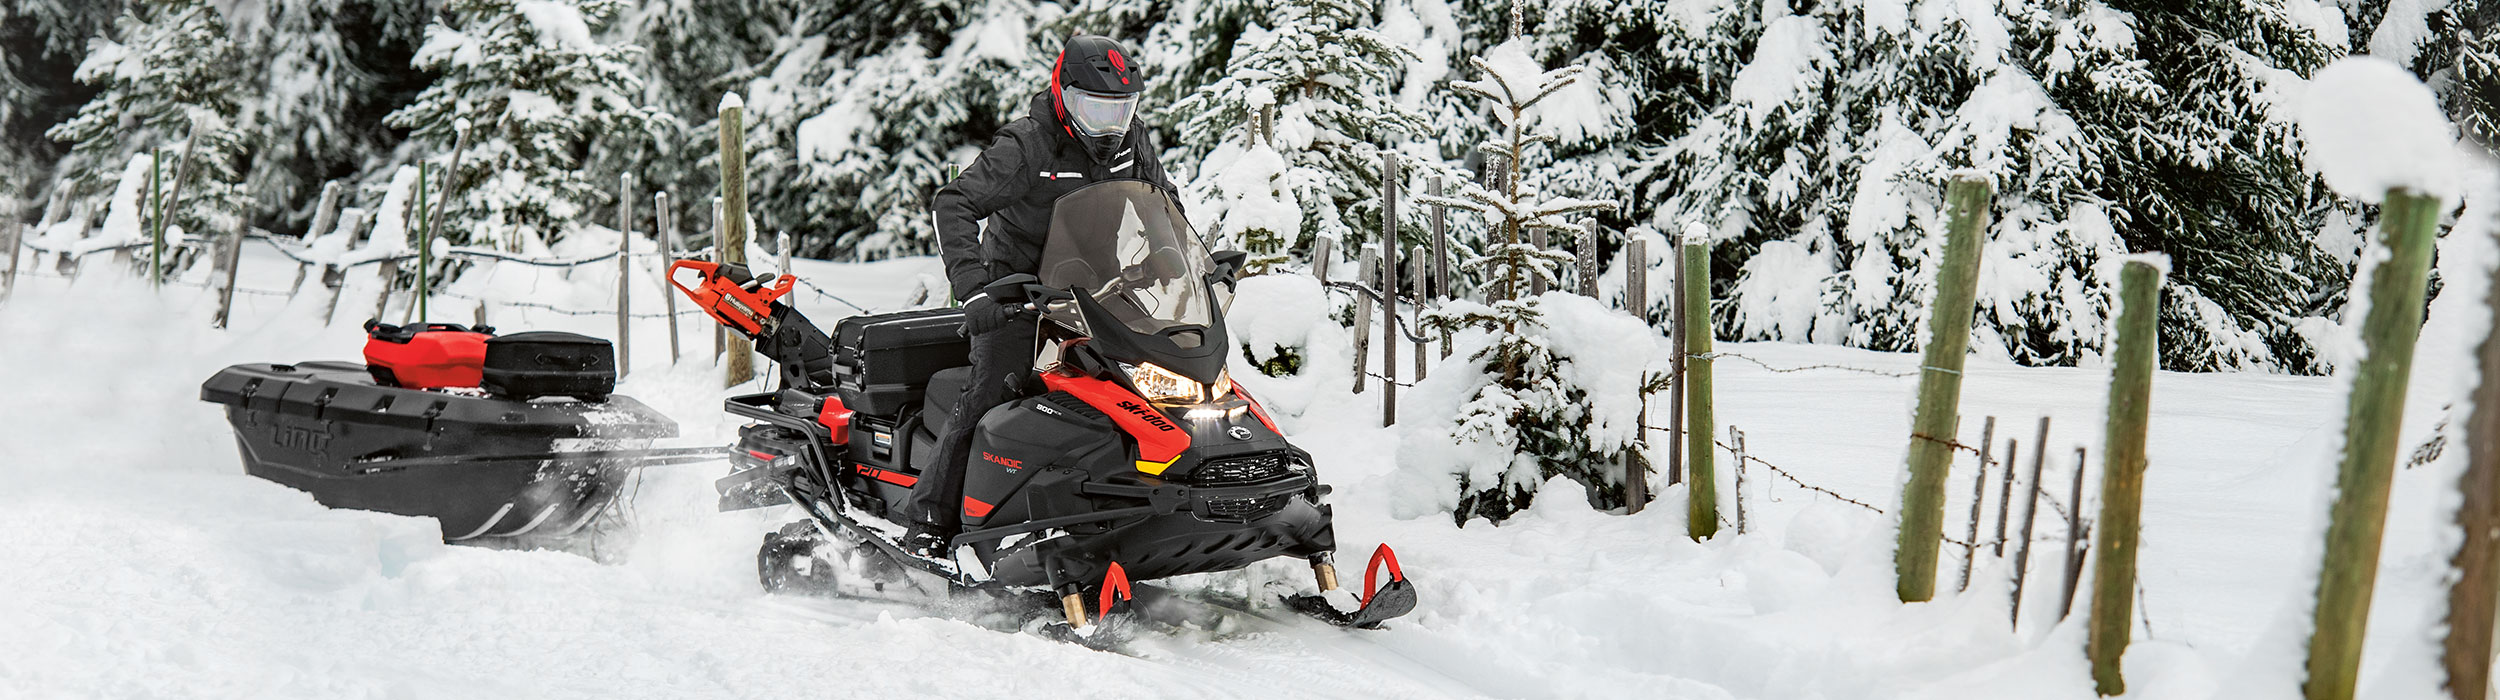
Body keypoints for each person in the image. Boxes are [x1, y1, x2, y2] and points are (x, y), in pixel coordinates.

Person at [904, 34, 1179, 551]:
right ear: (1064, 95)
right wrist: (975, 291)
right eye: (1095, 110)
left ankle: (1146, 503)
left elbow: (1160, 200)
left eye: (1119, 111)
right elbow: (953, 203)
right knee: (993, 390)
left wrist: (1169, 252)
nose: (1109, 126)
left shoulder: (1132, 140)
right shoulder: (1027, 145)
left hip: (1096, 292)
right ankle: (930, 524)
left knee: (1149, 385)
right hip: (1016, 293)